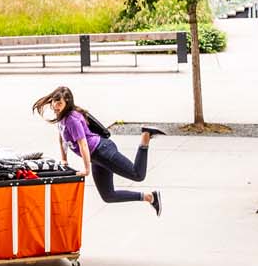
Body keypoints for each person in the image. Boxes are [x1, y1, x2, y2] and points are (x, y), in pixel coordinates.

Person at [31, 86, 165, 215]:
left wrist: (86, 169)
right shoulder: (61, 117)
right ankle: (150, 197)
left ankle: (146, 136)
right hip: (96, 156)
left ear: (67, 102)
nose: (55, 106)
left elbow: (83, 144)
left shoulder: (72, 119)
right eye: (54, 101)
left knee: (138, 174)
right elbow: (62, 137)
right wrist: (64, 158)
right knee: (108, 196)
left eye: (59, 103)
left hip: (102, 151)